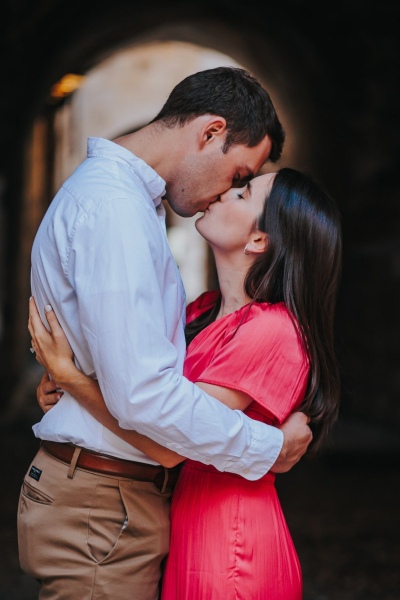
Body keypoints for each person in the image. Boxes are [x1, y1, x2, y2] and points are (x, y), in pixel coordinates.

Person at [19, 66, 312, 599]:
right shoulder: (116, 209)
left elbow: (137, 379)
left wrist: (72, 381)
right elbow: (146, 400)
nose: (227, 192)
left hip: (114, 505)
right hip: (102, 509)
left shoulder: (129, 204)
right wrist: (270, 448)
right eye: (238, 173)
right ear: (210, 132)